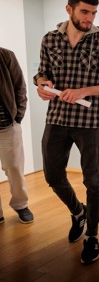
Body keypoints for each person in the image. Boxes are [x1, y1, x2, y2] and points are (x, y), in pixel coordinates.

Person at [34, 0, 99, 264]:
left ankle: (92, 236)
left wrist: (84, 90)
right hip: (57, 118)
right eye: (85, 11)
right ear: (69, 9)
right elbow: (42, 72)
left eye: (94, 12)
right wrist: (41, 84)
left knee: (93, 181)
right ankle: (78, 212)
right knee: (52, 175)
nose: (89, 18)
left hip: (91, 122)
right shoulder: (50, 39)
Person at [0, 47, 34, 225]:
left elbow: (20, 86)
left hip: (7, 125)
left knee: (14, 168)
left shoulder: (6, 55)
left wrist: (18, 115)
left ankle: (21, 205)